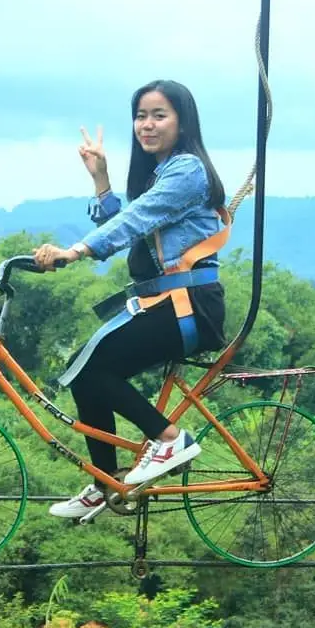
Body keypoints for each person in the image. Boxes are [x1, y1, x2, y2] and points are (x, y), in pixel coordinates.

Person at [32, 79, 229, 519]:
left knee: (93, 369)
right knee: (84, 371)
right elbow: (131, 219)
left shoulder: (187, 171)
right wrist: (101, 179)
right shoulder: (162, 173)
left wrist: (76, 250)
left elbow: (136, 219)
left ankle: (169, 440)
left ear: (183, 121)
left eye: (159, 115)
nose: (147, 124)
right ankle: (106, 484)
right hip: (165, 304)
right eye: (141, 116)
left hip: (189, 307)